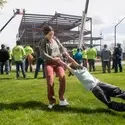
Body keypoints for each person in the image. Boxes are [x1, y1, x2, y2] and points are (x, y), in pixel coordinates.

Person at [59, 55, 125, 111]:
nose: (76, 64)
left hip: (99, 84)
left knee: (116, 90)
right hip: (95, 88)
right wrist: (61, 61)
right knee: (108, 101)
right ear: (74, 67)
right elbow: (67, 65)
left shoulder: (83, 68)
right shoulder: (76, 73)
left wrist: (67, 56)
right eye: (74, 65)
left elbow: (72, 62)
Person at [39, 25, 69, 109]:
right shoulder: (43, 41)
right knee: (50, 80)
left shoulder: (55, 39)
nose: (51, 36)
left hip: (59, 62)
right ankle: (51, 101)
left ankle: (62, 99)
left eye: (52, 34)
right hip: (49, 63)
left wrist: (65, 52)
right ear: (45, 34)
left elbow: (61, 47)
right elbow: (43, 54)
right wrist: (53, 58)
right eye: (49, 34)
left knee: (62, 77)